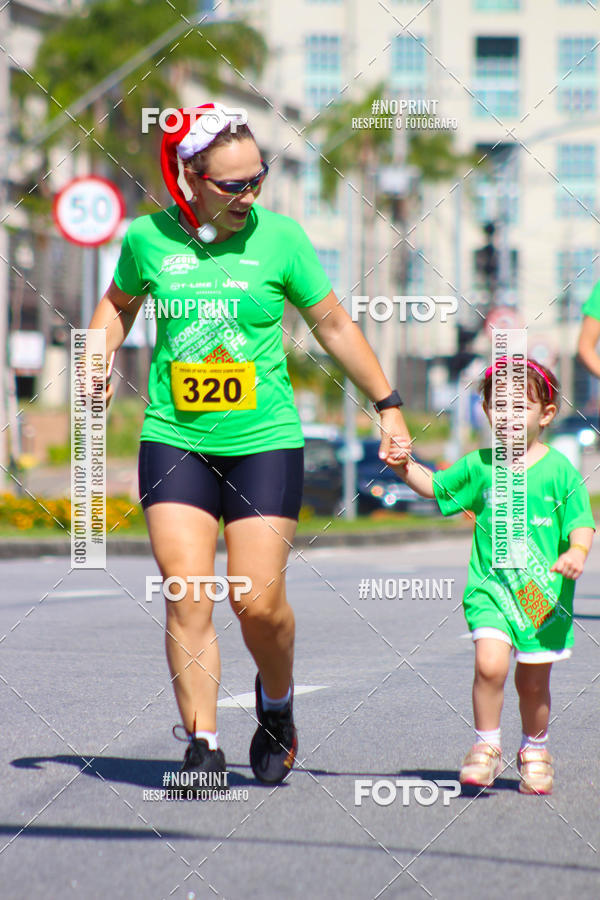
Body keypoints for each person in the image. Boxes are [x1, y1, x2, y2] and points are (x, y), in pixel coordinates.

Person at [88, 102, 410, 785]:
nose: (248, 195)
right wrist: (97, 354)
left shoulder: (283, 240)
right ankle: (202, 744)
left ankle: (277, 701)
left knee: (257, 602)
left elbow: (332, 326)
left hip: (264, 441)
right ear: (189, 179)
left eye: (256, 179)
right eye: (232, 184)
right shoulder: (148, 241)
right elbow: (117, 308)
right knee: (188, 591)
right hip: (175, 437)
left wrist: (388, 404)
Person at [388, 357, 594, 794]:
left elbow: (581, 521)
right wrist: (405, 467)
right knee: (490, 664)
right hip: (490, 589)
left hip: (543, 596)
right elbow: (436, 486)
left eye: (521, 407)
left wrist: (577, 551)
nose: (509, 416)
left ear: (546, 414)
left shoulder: (559, 470)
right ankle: (485, 747)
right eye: (499, 406)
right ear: (485, 412)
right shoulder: (479, 465)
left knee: (533, 682)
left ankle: (535, 749)